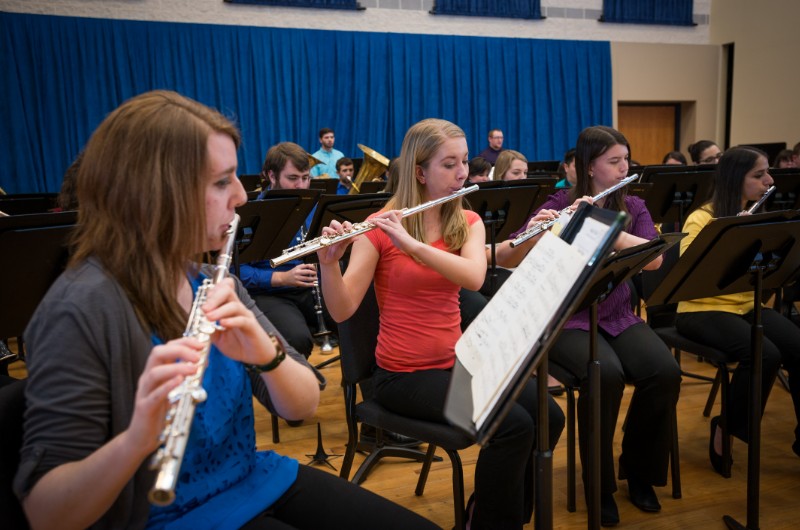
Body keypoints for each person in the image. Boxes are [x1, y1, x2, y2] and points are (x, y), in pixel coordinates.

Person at [13, 90, 436, 530]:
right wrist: (137, 440)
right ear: (154, 193)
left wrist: (266, 355)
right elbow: (46, 513)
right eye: (221, 181)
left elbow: (303, 405)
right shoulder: (79, 309)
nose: (239, 196)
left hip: (250, 479)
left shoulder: (213, 280)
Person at [317, 118, 565, 529]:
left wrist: (412, 246)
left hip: (455, 362)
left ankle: (492, 514)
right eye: (449, 164)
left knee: (549, 417)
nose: (463, 173)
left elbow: (474, 277)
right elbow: (342, 311)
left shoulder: (464, 222)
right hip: (403, 376)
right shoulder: (379, 229)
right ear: (420, 171)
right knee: (514, 427)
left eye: (465, 161)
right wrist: (328, 265)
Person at [496, 125, 681, 526]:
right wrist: (545, 230)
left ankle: (640, 471)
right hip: (567, 320)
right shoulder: (558, 201)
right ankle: (597, 485)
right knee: (605, 376)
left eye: (625, 160)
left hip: (616, 313)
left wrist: (605, 228)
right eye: (614, 161)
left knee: (664, 371)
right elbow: (513, 254)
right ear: (589, 166)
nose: (623, 167)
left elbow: (653, 259)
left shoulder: (634, 206)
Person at [675, 146, 800, 470]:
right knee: (764, 353)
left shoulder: (758, 216)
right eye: (759, 175)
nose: (769, 180)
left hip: (746, 306)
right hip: (701, 310)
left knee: (797, 346)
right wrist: (731, 240)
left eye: (767, 172)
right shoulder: (702, 218)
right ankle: (726, 428)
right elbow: (690, 277)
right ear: (735, 179)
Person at [239, 143, 337, 361]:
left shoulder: (315, 207)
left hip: (311, 288)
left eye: (306, 177)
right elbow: (237, 272)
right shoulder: (252, 213)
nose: (302, 186)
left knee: (352, 319)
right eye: (293, 178)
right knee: (297, 338)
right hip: (271, 293)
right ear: (271, 176)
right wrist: (281, 277)